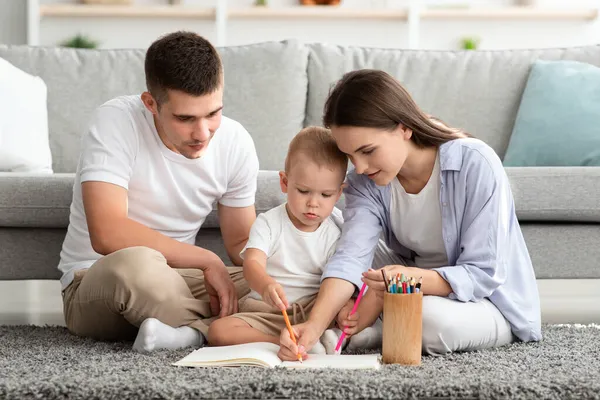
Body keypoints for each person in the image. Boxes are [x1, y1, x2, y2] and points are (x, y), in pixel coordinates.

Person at [278, 69, 542, 361]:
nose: (361, 167)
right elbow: (351, 257)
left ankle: (378, 328)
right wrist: (313, 327)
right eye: (351, 156)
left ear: (403, 128)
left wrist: (411, 280)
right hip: (404, 285)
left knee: (425, 319)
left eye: (367, 150)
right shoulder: (364, 183)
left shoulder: (475, 163)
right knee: (331, 232)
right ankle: (372, 320)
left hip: (485, 301)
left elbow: (483, 273)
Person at [58, 31, 259, 353]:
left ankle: (188, 331)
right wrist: (207, 260)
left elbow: (239, 243)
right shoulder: (116, 120)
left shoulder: (236, 141)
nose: (202, 132)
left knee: (288, 280)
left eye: (213, 113)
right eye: (185, 118)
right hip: (100, 279)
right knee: (135, 265)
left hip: (181, 281)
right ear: (151, 103)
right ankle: (228, 329)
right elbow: (107, 233)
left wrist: (287, 267)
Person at [207, 127, 382, 355]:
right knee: (218, 331)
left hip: (315, 309)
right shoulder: (269, 223)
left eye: (325, 195)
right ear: (284, 182)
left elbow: (347, 274)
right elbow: (252, 264)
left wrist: (349, 304)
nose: (313, 203)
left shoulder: (338, 228)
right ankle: (283, 343)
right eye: (303, 191)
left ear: (339, 194)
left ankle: (340, 336)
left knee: (354, 307)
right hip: (267, 310)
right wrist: (265, 285)